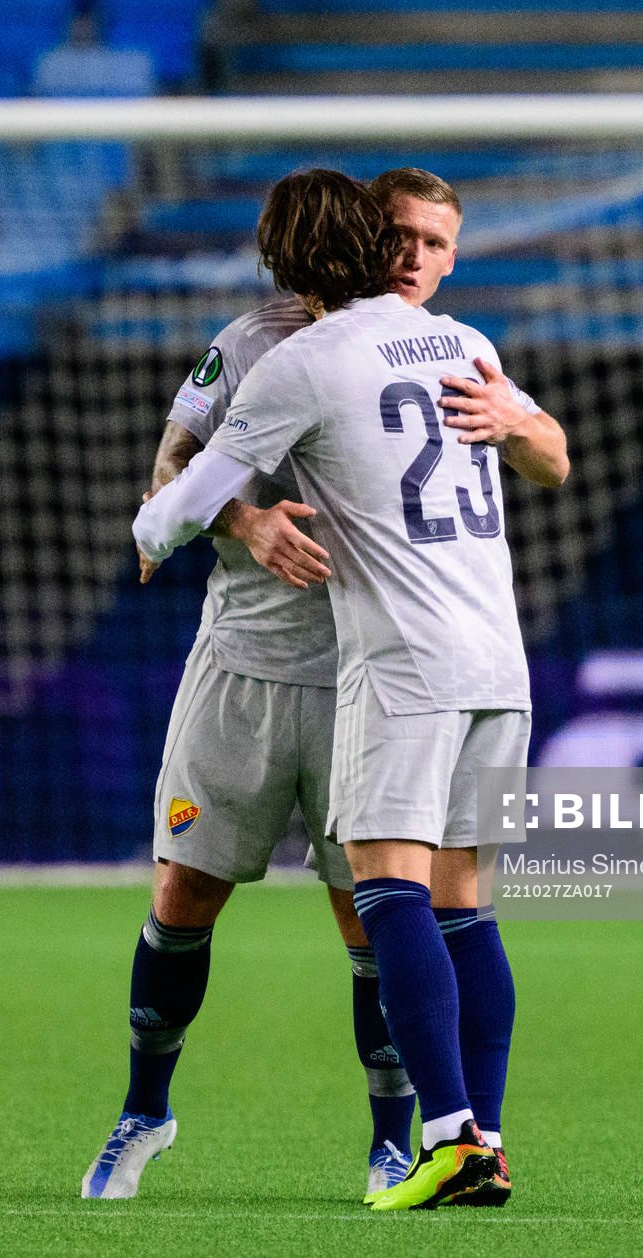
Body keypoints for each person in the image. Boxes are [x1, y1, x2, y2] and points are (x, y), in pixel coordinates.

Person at [81, 167, 542, 1204]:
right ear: (365, 243)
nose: (415, 256)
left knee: (376, 913)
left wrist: (520, 423)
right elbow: (174, 470)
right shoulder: (254, 345)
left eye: (436, 241)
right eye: (400, 237)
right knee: (187, 892)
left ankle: (410, 1138)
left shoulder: (412, 349)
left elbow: (160, 516)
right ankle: (144, 1110)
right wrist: (245, 521)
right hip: (254, 663)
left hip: (375, 671)